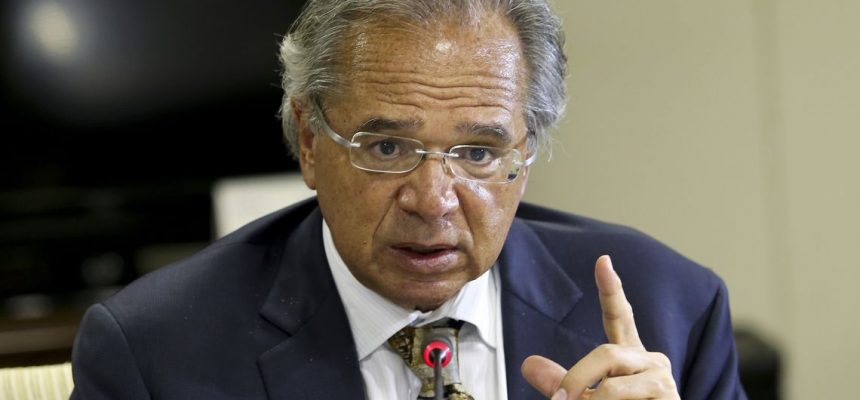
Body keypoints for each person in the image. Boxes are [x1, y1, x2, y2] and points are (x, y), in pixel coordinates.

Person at [70, 0, 746, 399]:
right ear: (309, 141)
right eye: (387, 148)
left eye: (479, 154)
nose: (433, 200)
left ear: (527, 152)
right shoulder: (155, 355)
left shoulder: (673, 309)